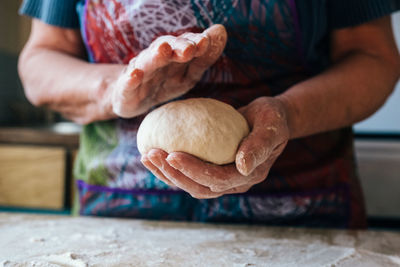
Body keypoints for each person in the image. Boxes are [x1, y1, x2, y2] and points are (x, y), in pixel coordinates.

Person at [18, 0, 400, 228]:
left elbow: (373, 57)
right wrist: (114, 87)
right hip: (121, 217)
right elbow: (40, 60)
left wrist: (288, 113)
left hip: (302, 216)